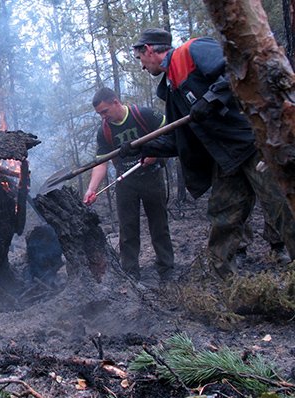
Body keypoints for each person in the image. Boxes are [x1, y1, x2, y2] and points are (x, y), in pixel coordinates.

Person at [131, 28, 295, 278]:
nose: (142, 67)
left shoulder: (193, 50)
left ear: (149, 50)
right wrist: (144, 147)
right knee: (222, 217)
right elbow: (180, 139)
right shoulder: (171, 89)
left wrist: (211, 98)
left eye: (139, 58)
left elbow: (238, 68)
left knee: (283, 208)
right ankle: (228, 286)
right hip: (227, 160)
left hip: (253, 144)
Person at [83, 88, 174, 282]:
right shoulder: (105, 131)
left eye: (105, 111)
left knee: (159, 226)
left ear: (116, 102)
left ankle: (167, 271)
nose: (103, 117)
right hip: (126, 181)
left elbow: (170, 133)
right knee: (127, 230)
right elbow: (101, 162)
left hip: (152, 177)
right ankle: (131, 275)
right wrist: (92, 188)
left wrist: (156, 153)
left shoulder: (144, 115)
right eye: (100, 114)